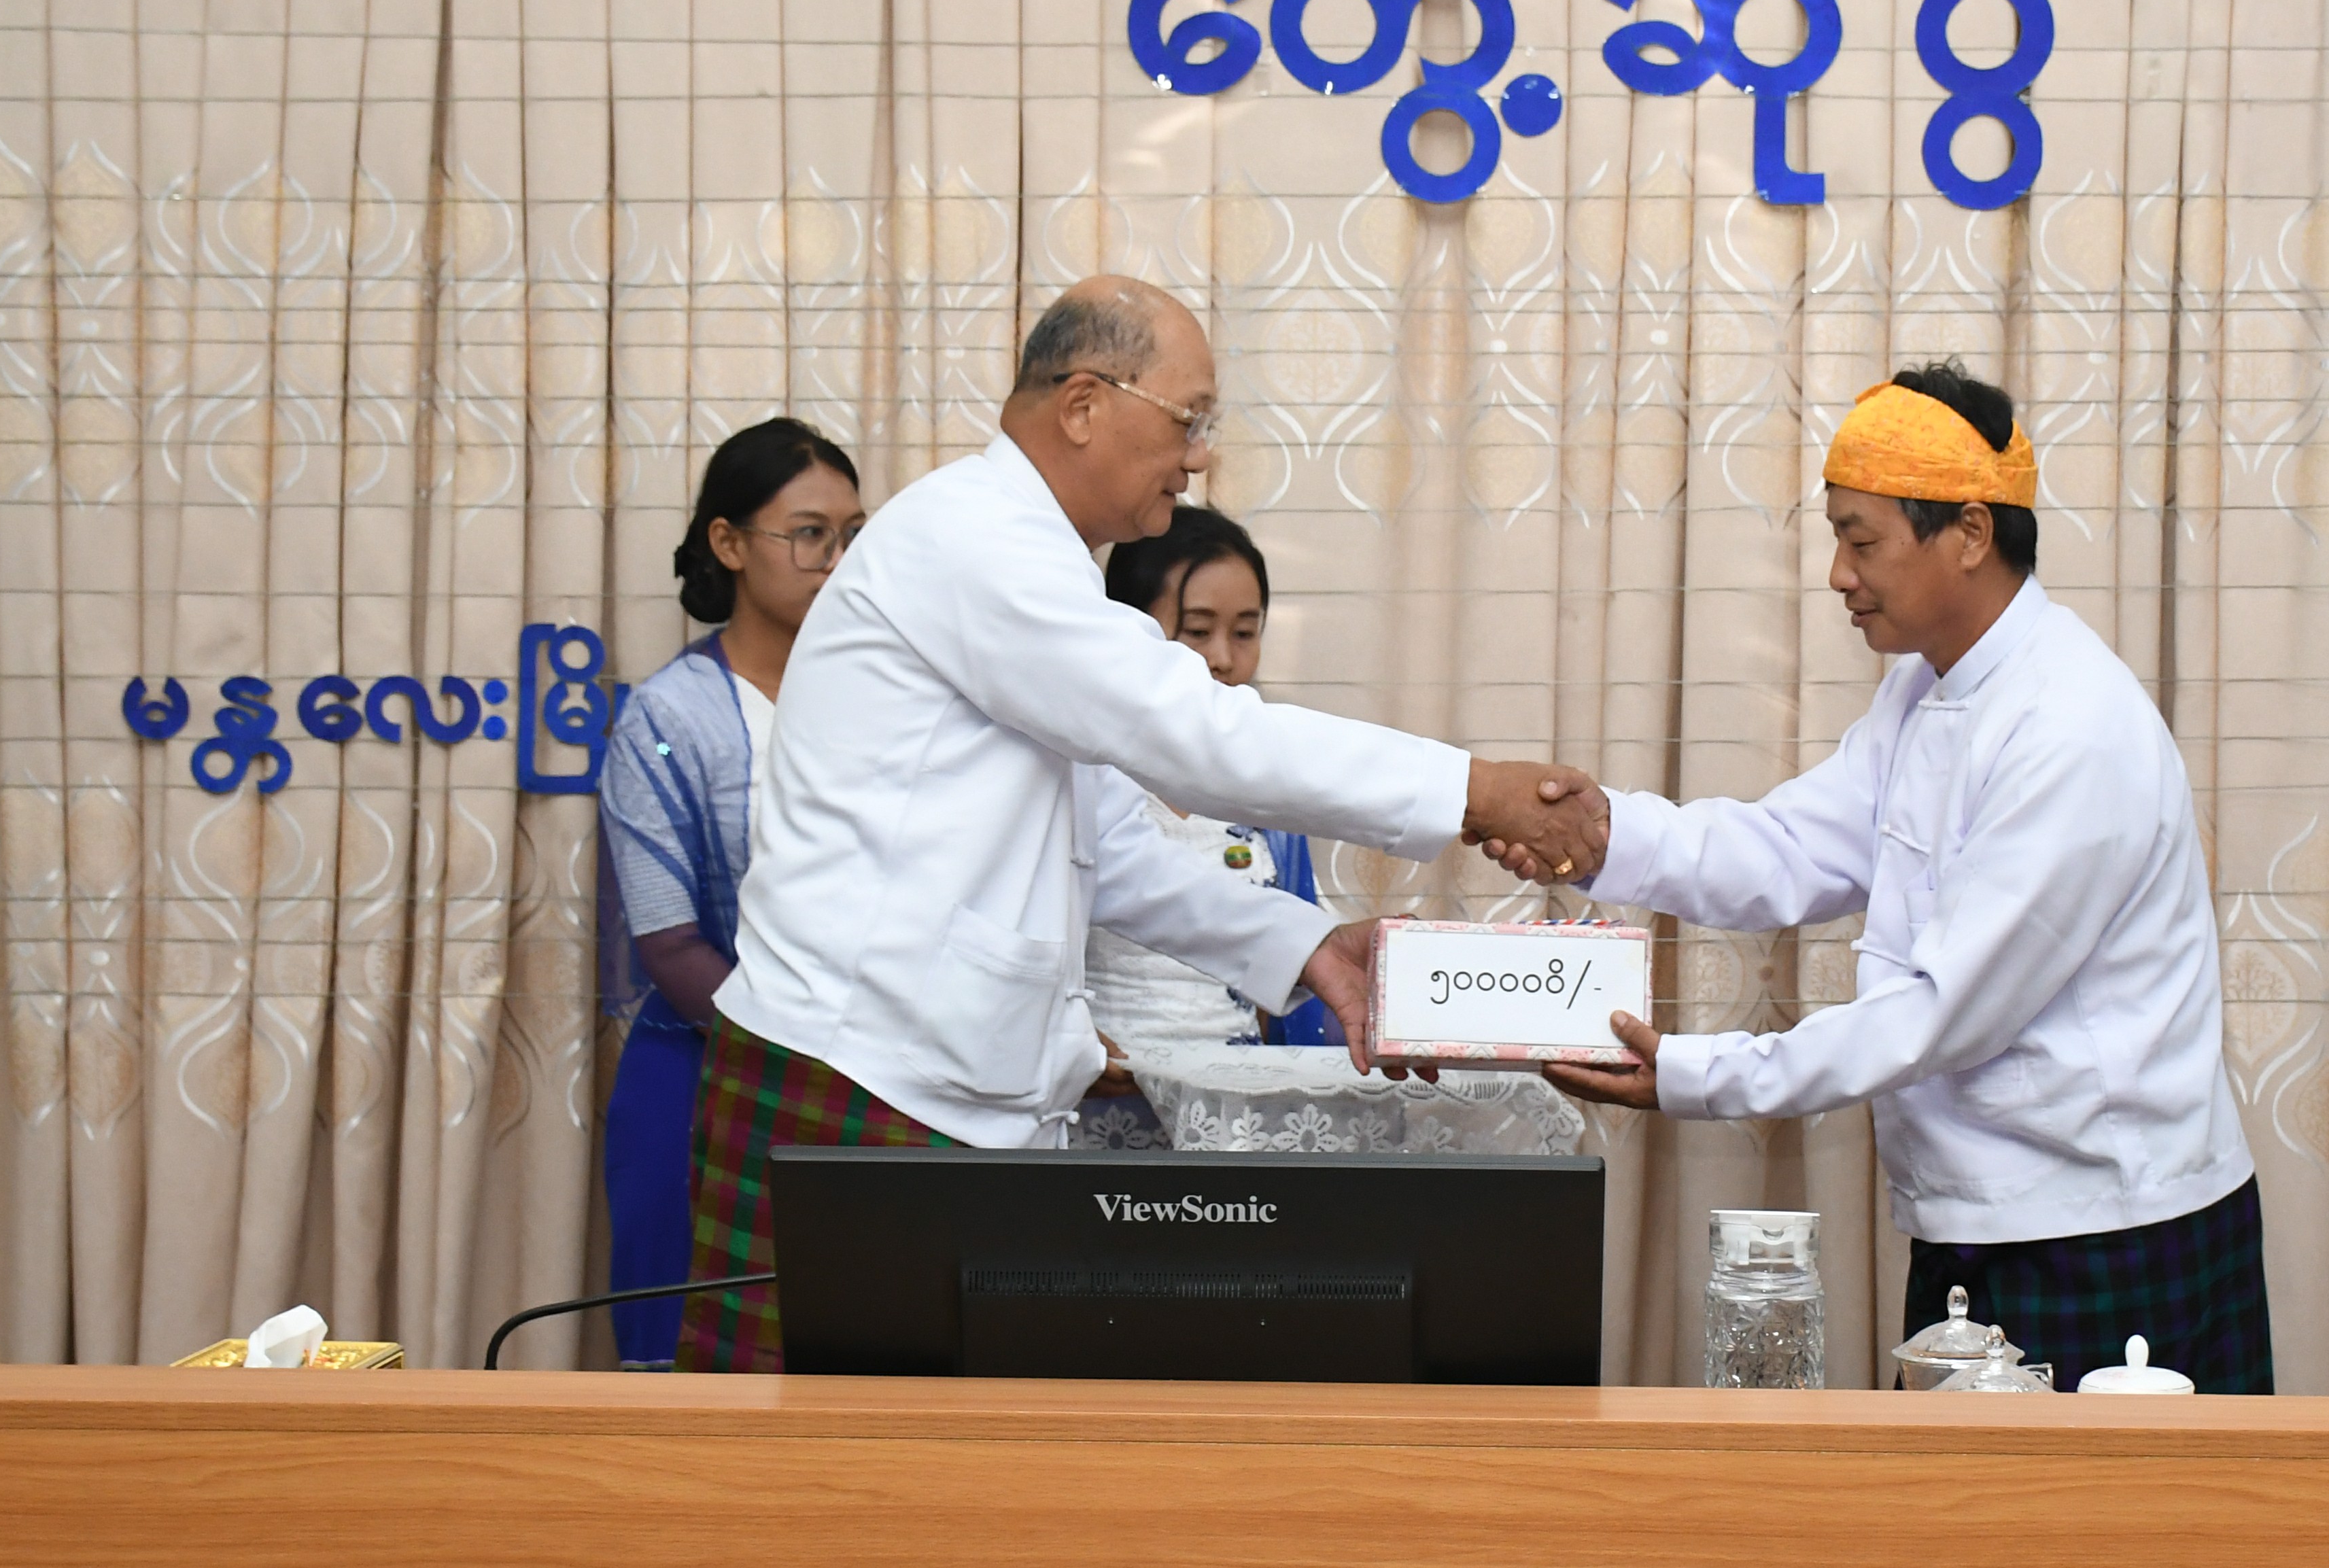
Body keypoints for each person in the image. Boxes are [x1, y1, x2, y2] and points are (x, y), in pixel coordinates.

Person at [687, 276, 1599, 1370]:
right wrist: (1473, 790)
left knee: (951, 1460)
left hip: (947, 1091)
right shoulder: (973, 541)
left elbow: (1110, 845)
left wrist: (1307, 944)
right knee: (804, 1461)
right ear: (1083, 405)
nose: (1200, 456)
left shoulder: (1037, 562)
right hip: (857, 1075)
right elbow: (1196, 736)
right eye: (1189, 419)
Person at [1493, 365, 2272, 1394]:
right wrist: (1602, 835)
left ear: (1971, 534)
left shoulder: (2072, 727)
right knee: (1943, 1502)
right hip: (1978, 1222)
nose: (1838, 575)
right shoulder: (1925, 690)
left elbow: (1939, 1013)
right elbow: (1788, 848)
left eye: (1860, 542)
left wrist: (1700, 1076)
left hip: (2108, 1227)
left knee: (2108, 1509)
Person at [592, 419, 866, 1366]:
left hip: (874, 1087)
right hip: (708, 1080)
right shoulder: (669, 716)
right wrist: (815, 1048)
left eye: (853, 536)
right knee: (696, 1374)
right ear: (729, 542)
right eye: (810, 535)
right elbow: (669, 945)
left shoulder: (888, 703)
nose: (837, 562)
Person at [1082, 504, 1343, 1077]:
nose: (1223, 659)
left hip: (1233, 1109)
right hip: (1098, 1098)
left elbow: (1292, 991)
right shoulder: (1078, 777)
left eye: (1245, 633)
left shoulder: (1268, 797)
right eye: (1198, 632)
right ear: (1128, 628)